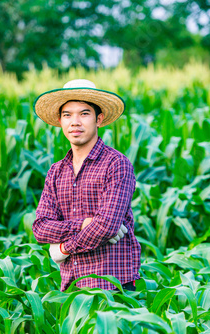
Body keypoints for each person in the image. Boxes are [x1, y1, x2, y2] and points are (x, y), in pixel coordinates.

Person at [32, 79, 141, 292]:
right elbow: (40, 228)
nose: (75, 122)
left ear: (99, 119)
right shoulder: (56, 171)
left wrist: (64, 248)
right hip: (71, 287)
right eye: (67, 115)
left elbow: (107, 225)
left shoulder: (116, 164)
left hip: (112, 286)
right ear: (60, 121)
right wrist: (83, 224)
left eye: (84, 114)